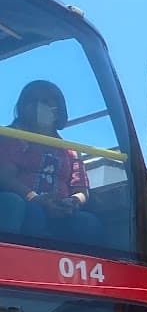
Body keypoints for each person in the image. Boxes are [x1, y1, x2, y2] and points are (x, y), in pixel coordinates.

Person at [0, 81, 103, 244]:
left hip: (60, 210)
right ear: (23, 106)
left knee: (88, 223)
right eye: (33, 100)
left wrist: (72, 203)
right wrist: (35, 199)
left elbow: (81, 190)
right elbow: (6, 178)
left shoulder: (70, 150)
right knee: (34, 214)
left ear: (58, 110)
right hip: (27, 204)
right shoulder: (10, 136)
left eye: (46, 101)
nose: (39, 106)